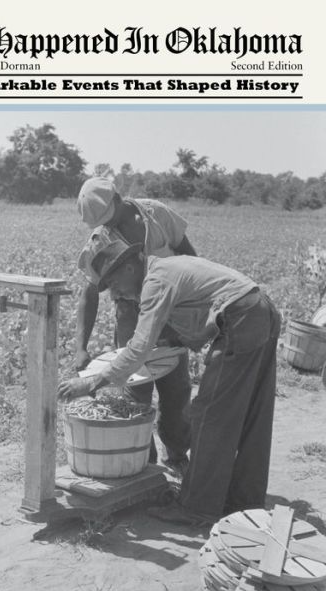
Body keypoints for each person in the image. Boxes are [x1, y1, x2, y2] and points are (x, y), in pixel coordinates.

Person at [59, 239, 281, 527]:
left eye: (113, 283)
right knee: (254, 412)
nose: (115, 294)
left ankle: (198, 508)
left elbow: (138, 348)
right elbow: (201, 316)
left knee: (209, 415)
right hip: (261, 311)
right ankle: (245, 501)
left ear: (129, 266)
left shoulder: (156, 281)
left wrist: (92, 383)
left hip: (241, 318)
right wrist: (176, 340)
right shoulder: (166, 268)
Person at [75, 177, 197, 469]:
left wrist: (190, 310)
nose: (108, 225)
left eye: (109, 217)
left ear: (118, 198)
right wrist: (81, 346)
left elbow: (189, 255)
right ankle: (145, 465)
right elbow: (89, 293)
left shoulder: (156, 214)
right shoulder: (100, 238)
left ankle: (178, 457)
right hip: (131, 314)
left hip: (172, 308)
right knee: (135, 391)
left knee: (176, 389)